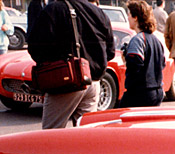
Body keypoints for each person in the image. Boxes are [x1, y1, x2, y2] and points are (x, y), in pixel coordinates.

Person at [28, 0, 114, 129]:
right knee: (86, 136)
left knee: (51, 136)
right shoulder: (97, 12)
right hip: (93, 82)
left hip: (66, 81)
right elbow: (110, 52)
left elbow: (36, 49)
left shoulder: (53, 10)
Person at [118, 0, 165, 108]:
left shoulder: (137, 40)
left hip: (140, 93)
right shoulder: (156, 40)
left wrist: (126, 59)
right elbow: (162, 64)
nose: (128, 18)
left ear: (136, 17)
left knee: (120, 119)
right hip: (157, 91)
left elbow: (134, 67)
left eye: (129, 14)